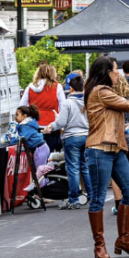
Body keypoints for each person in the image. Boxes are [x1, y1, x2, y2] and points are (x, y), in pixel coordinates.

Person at [83, 57, 129, 258]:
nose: (117, 74)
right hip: (100, 149)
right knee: (98, 198)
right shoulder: (100, 91)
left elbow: (116, 112)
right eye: (114, 70)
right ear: (106, 73)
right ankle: (99, 245)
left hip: (115, 149)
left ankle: (123, 240)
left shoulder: (104, 92)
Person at [45, 74, 91, 210]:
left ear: (71, 89)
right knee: (85, 167)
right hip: (86, 136)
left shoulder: (67, 103)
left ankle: (74, 199)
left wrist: (51, 126)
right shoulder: (88, 101)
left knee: (73, 169)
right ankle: (92, 195)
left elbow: (61, 122)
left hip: (71, 137)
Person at [19, 63, 65, 149]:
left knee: (35, 152)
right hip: (51, 125)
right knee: (51, 153)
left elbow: (21, 107)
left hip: (34, 125)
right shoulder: (57, 87)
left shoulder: (30, 87)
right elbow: (63, 107)